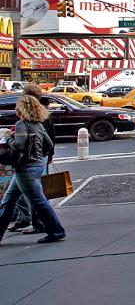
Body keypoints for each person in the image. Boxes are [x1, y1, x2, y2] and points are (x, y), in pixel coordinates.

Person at [0, 95, 66, 244]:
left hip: (25, 169)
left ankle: (56, 231)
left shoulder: (21, 124)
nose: (15, 108)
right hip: (36, 166)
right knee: (9, 201)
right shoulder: (38, 124)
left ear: (22, 108)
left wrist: (8, 138)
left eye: (17, 105)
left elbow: (19, 146)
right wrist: (38, 156)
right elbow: (49, 144)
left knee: (38, 202)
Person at [9, 85, 56, 235]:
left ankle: (45, 226)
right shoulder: (43, 114)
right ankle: (31, 221)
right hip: (40, 159)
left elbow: (20, 145)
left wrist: (9, 139)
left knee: (36, 197)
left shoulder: (25, 120)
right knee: (30, 195)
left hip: (28, 163)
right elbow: (50, 139)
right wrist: (48, 155)